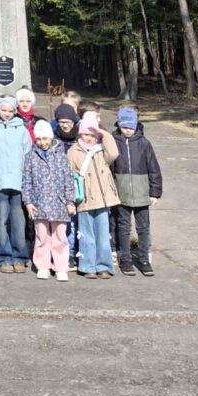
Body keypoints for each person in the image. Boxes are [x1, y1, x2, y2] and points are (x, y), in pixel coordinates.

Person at [0, 96, 31, 274]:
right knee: (0, 221)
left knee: (18, 221)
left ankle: (20, 256)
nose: (7, 114)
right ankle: (3, 257)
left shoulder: (21, 130)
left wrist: (28, 182)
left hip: (18, 182)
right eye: (4, 110)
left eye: (10, 111)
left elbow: (28, 157)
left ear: (15, 111)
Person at [21, 119, 76, 281]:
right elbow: (26, 181)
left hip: (59, 204)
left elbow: (68, 179)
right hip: (40, 204)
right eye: (38, 139)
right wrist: (28, 202)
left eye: (45, 138)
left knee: (60, 236)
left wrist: (70, 201)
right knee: (42, 236)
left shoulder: (61, 155)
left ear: (51, 137)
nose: (42, 142)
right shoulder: (30, 156)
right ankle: (43, 265)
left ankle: (60, 267)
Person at [67, 114, 119, 278]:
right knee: (86, 235)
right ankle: (88, 266)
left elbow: (114, 154)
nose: (89, 138)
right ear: (79, 134)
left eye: (92, 134)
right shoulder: (73, 151)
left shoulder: (101, 150)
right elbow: (68, 176)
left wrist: (103, 133)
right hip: (84, 200)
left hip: (102, 200)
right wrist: (70, 200)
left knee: (103, 235)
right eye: (85, 134)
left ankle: (103, 266)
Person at [112, 106, 162, 277]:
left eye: (131, 127)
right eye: (124, 127)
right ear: (119, 125)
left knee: (143, 228)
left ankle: (144, 259)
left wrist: (155, 192)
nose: (128, 130)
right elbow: (109, 169)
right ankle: (125, 259)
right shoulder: (113, 141)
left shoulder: (144, 143)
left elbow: (154, 169)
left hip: (142, 193)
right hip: (122, 194)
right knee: (123, 227)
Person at [52, 103, 80, 268]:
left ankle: (76, 251)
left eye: (67, 122)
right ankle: (66, 253)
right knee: (63, 222)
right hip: (58, 185)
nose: (64, 125)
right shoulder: (54, 139)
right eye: (61, 122)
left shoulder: (79, 137)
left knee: (76, 221)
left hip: (78, 185)